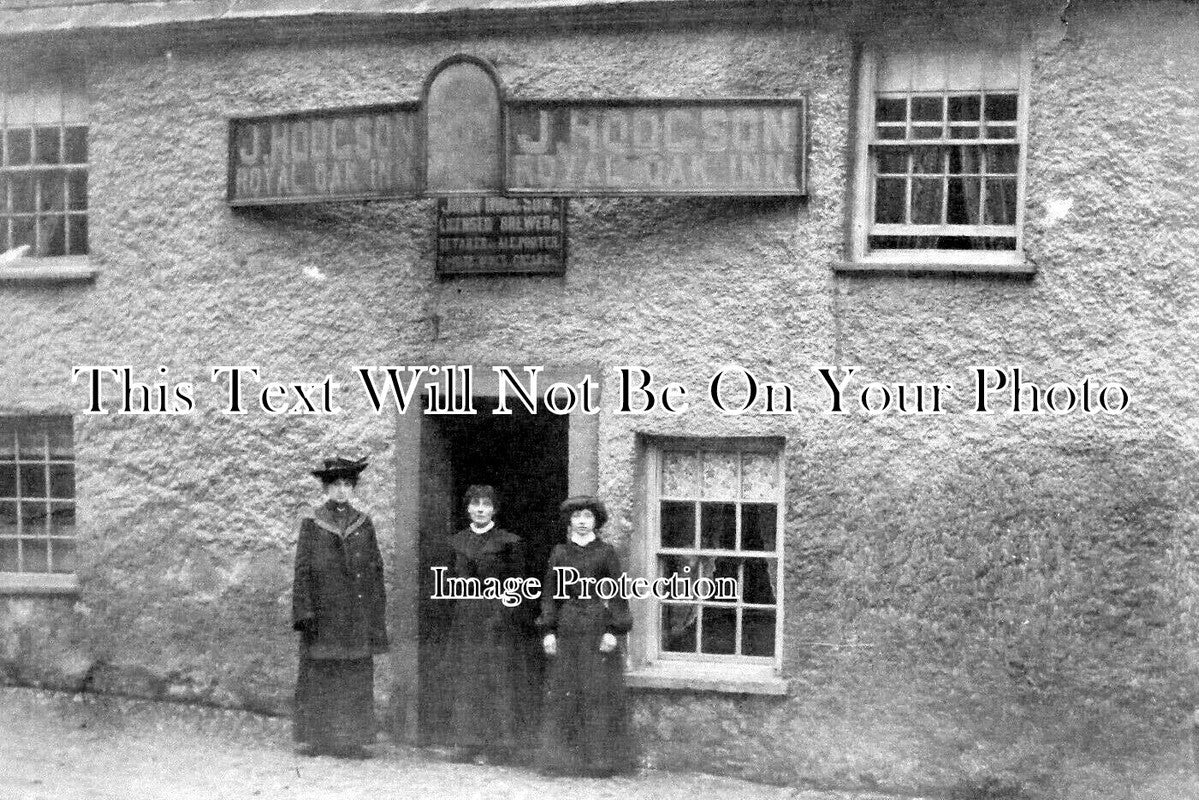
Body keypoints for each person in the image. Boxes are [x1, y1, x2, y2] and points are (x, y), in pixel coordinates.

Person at [292, 456, 388, 758]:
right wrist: (304, 611)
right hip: (324, 614)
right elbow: (303, 569)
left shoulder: (364, 523)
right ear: (326, 488)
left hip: (356, 614)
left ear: (353, 488)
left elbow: (375, 568)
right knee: (322, 673)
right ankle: (319, 738)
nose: (342, 490)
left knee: (354, 673)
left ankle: (353, 740)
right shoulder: (313, 523)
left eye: (348, 484)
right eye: (336, 485)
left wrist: (375, 613)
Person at [536, 495, 635, 777]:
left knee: (597, 692)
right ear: (569, 521)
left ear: (596, 522)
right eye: (576, 516)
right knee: (565, 692)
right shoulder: (559, 552)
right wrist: (548, 630)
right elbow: (549, 594)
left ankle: (598, 762)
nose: (581, 521)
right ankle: (563, 761)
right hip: (567, 626)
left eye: (587, 516)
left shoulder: (605, 553)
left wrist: (614, 630)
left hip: (596, 626)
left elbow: (617, 593)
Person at [445, 484, 531, 764]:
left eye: (486, 504)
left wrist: (502, 616)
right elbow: (448, 586)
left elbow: (518, 589)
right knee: (467, 679)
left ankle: (500, 745)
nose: (480, 509)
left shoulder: (509, 542)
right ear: (468, 508)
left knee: (498, 680)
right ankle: (467, 742)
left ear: (495, 509)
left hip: (497, 622)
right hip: (466, 621)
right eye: (475, 503)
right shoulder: (456, 542)